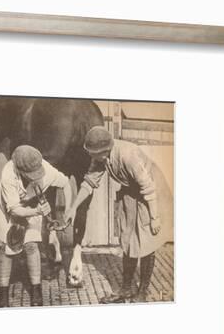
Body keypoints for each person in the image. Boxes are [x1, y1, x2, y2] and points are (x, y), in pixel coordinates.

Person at [65, 126, 173, 303]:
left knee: (147, 241)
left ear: (103, 151)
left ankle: (142, 291)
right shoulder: (99, 159)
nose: (90, 157)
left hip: (152, 192)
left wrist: (154, 217)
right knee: (129, 239)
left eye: (92, 153)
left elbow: (148, 186)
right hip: (131, 191)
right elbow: (89, 183)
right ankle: (126, 289)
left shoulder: (127, 155)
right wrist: (73, 208)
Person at [0, 145, 72, 307]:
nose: (34, 177)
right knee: (8, 247)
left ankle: (36, 290)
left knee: (32, 245)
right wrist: (38, 211)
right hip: (10, 209)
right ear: (18, 169)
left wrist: (68, 210)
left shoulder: (47, 170)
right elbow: (15, 211)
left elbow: (66, 184)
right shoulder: (8, 173)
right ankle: (3, 293)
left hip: (33, 205)